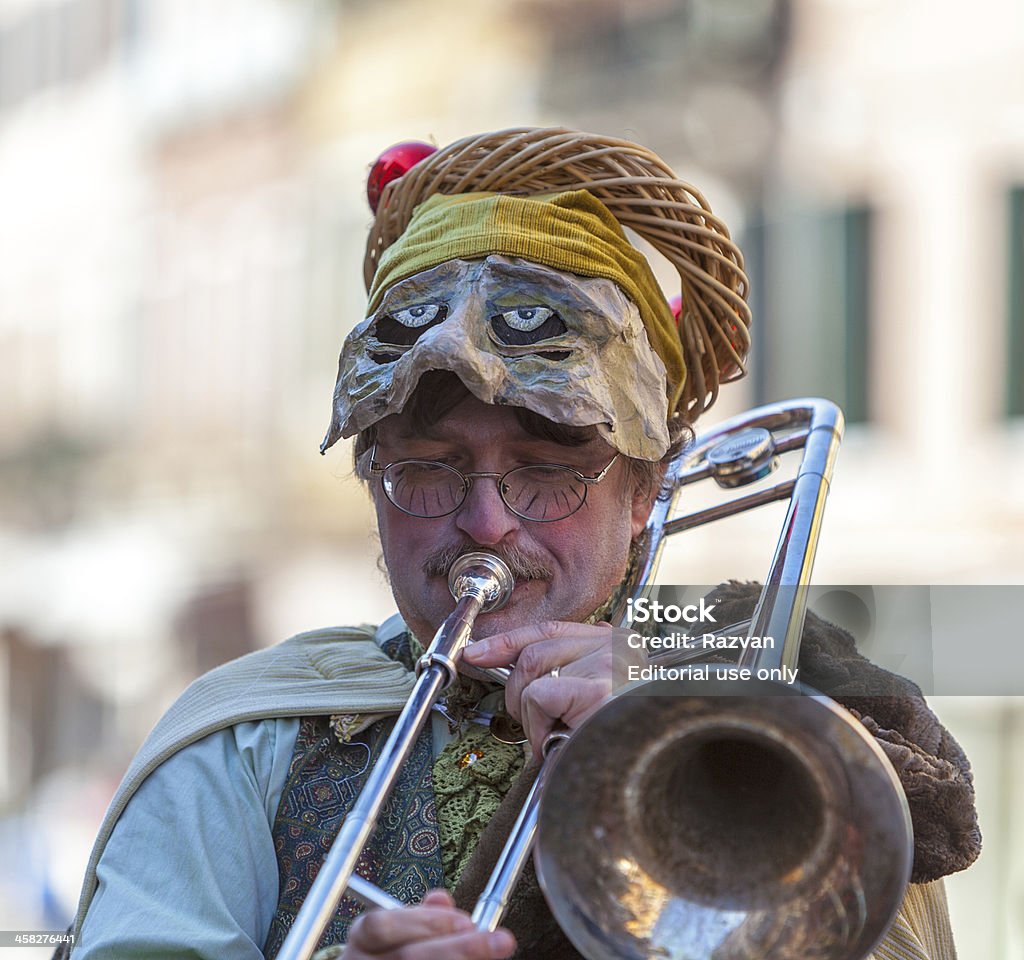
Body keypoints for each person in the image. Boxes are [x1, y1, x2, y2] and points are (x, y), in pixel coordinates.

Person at [62, 128, 980, 960]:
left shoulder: (772, 686)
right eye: (428, 468)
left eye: (547, 468)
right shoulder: (243, 740)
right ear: (369, 481)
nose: (489, 523)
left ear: (644, 491)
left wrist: (702, 715)